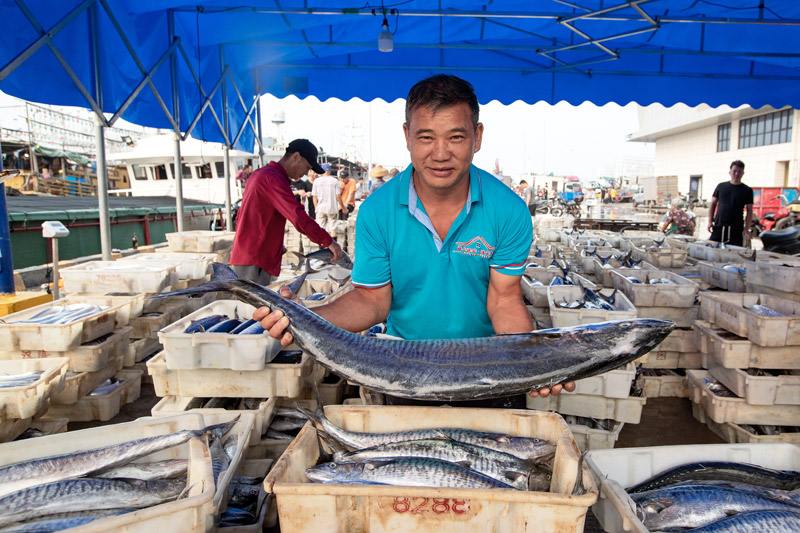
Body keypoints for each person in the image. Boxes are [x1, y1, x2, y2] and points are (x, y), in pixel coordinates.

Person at [255, 74, 574, 400]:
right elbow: (372, 300)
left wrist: (534, 361)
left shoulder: (509, 210)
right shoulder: (377, 211)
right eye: (425, 137)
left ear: (477, 137)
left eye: (456, 137)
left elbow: (504, 298)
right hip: (402, 369)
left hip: (488, 371)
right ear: (407, 136)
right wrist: (305, 318)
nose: (440, 153)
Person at [229, 139, 342, 285]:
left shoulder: (261, 174)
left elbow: (242, 216)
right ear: (295, 157)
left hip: (248, 254)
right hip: (254, 259)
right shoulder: (273, 179)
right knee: (251, 306)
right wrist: (327, 241)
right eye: (307, 167)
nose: (307, 173)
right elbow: (297, 217)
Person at [707, 160, 754, 247]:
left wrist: (746, 229)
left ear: (743, 173)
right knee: (712, 247)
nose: (737, 174)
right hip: (719, 225)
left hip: (736, 227)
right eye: (734, 171)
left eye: (739, 171)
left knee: (734, 251)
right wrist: (710, 221)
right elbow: (713, 204)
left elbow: (750, 210)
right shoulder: (721, 186)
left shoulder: (747, 190)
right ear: (730, 172)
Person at [312, 163, 344, 239]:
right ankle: (333, 250)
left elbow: (314, 197)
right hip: (332, 208)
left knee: (321, 229)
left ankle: (322, 249)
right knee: (332, 229)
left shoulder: (316, 181)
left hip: (320, 208)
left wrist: (316, 208)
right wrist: (343, 207)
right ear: (329, 171)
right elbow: (338, 196)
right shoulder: (335, 181)